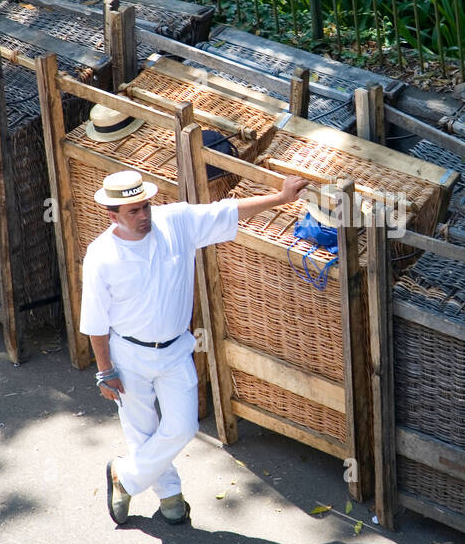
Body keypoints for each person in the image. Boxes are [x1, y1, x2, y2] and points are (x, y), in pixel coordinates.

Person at [81, 168, 309, 525]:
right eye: (133, 212)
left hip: (175, 351)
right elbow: (94, 321)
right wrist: (105, 371)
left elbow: (227, 211)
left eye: (145, 207)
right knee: (141, 431)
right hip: (128, 355)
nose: (144, 216)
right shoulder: (99, 256)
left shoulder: (176, 222)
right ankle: (171, 495)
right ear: (113, 216)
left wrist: (281, 199)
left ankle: (123, 477)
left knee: (183, 426)